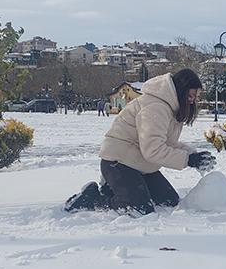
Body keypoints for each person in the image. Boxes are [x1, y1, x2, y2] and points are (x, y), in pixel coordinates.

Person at [64, 69, 216, 215]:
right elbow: (153, 150)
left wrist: (193, 155)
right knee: (139, 209)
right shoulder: (156, 107)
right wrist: (188, 160)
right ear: (180, 90)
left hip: (140, 165)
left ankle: (112, 189)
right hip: (118, 163)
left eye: (195, 97)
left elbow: (167, 143)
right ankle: (92, 199)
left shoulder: (170, 108)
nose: (192, 101)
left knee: (169, 202)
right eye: (190, 96)